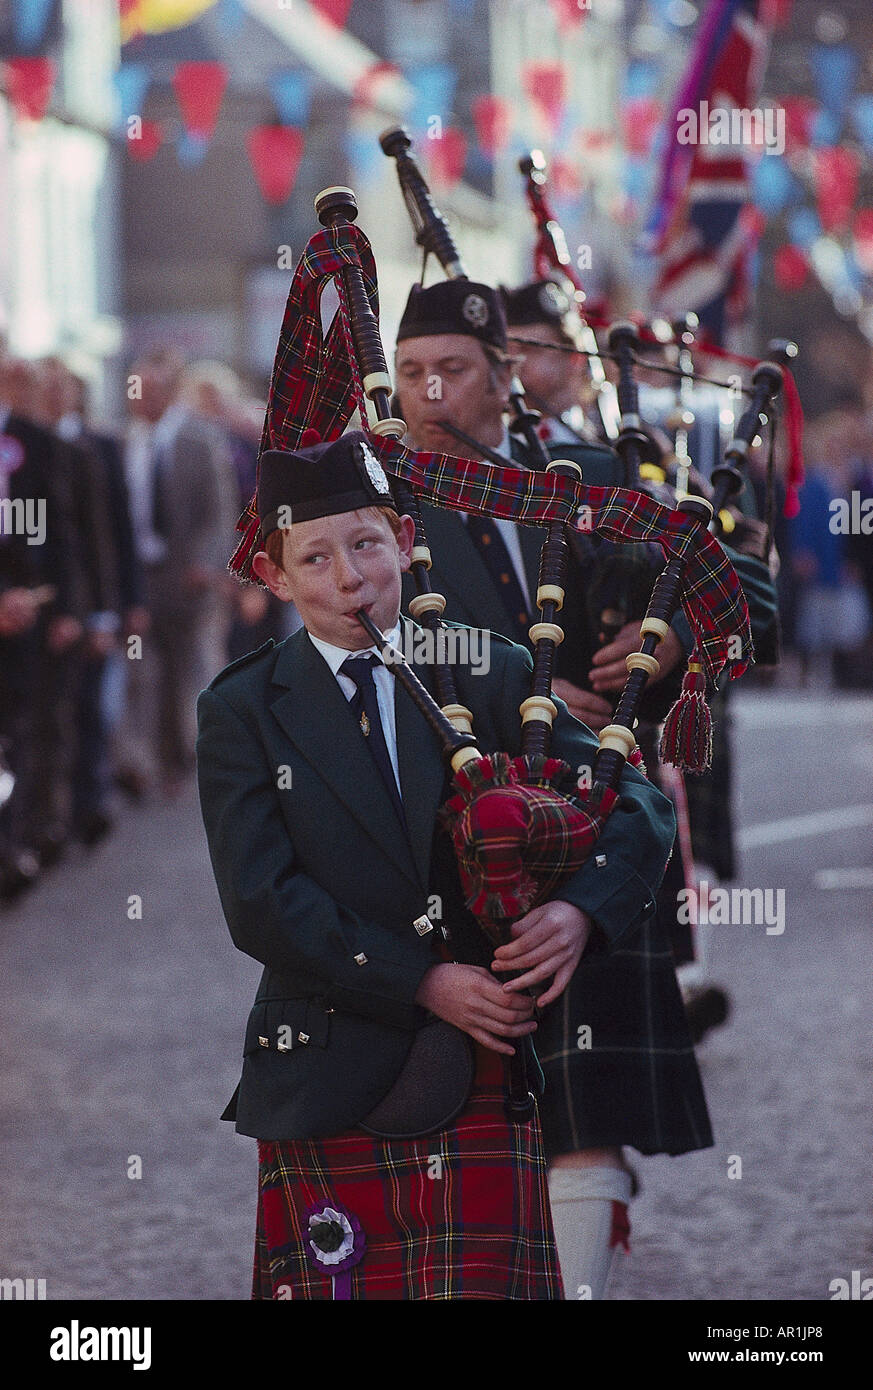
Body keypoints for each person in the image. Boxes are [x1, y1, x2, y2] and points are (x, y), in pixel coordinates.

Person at [195, 431, 677, 1300]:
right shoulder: (241, 709)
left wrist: (579, 914)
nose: (350, 577)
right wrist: (423, 980)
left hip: (476, 1066)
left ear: (405, 539)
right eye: (316, 556)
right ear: (275, 577)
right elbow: (260, 901)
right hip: (326, 1064)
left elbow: (635, 803)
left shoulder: (483, 667)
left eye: (368, 544)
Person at [392, 276, 778, 1299]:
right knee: (469, 1122)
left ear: (503, 375)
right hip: (451, 844)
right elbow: (363, 647)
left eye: (455, 371)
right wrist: (527, 685)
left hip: (600, 830)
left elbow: (752, 595)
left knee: (585, 1113)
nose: (430, 396)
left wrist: (671, 642)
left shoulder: (594, 472)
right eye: (410, 373)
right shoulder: (374, 500)